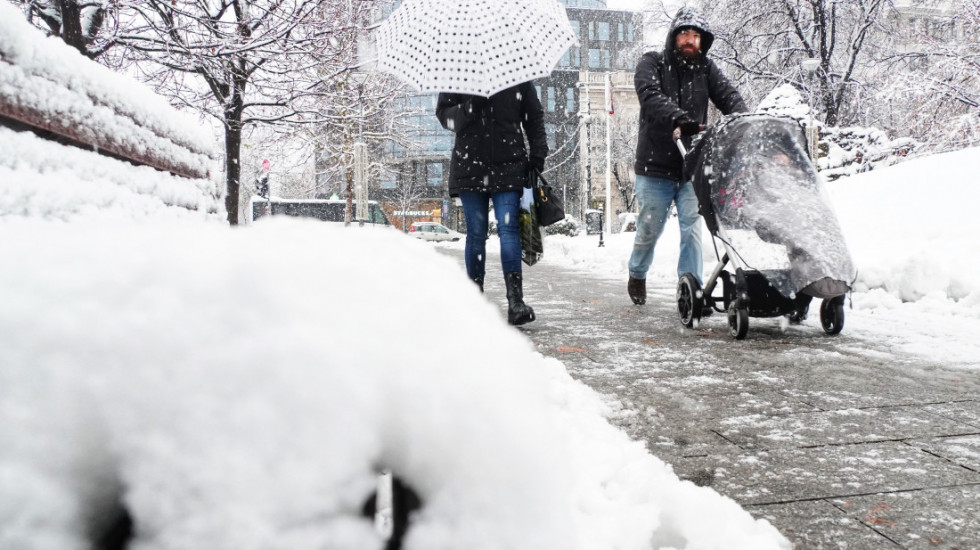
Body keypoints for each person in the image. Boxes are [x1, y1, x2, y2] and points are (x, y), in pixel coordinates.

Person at [627, 6, 748, 306]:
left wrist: (744, 120)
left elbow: (729, 96)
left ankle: (690, 290)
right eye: (685, 35)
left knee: (692, 228)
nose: (691, 41)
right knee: (649, 228)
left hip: (692, 164)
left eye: (696, 37)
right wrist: (679, 119)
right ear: (674, 37)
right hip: (655, 166)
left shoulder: (706, 69)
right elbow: (649, 96)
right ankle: (637, 271)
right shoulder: (652, 62)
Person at [436, 82, 548, 325]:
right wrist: (471, 106)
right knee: (478, 233)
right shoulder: (461, 74)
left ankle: (513, 300)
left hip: (506, 165)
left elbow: (534, 117)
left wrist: (538, 155)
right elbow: (445, 117)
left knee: (507, 230)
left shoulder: (515, 73)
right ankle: (485, 301)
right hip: (472, 167)